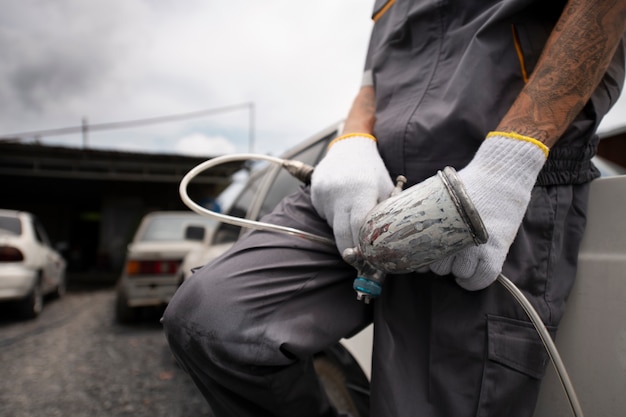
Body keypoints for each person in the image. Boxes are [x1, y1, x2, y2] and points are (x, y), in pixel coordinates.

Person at [163, 1, 626, 416]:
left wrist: (510, 162)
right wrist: (352, 140)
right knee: (214, 322)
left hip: (489, 180)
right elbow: (372, 79)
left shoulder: (503, 172)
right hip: (374, 183)